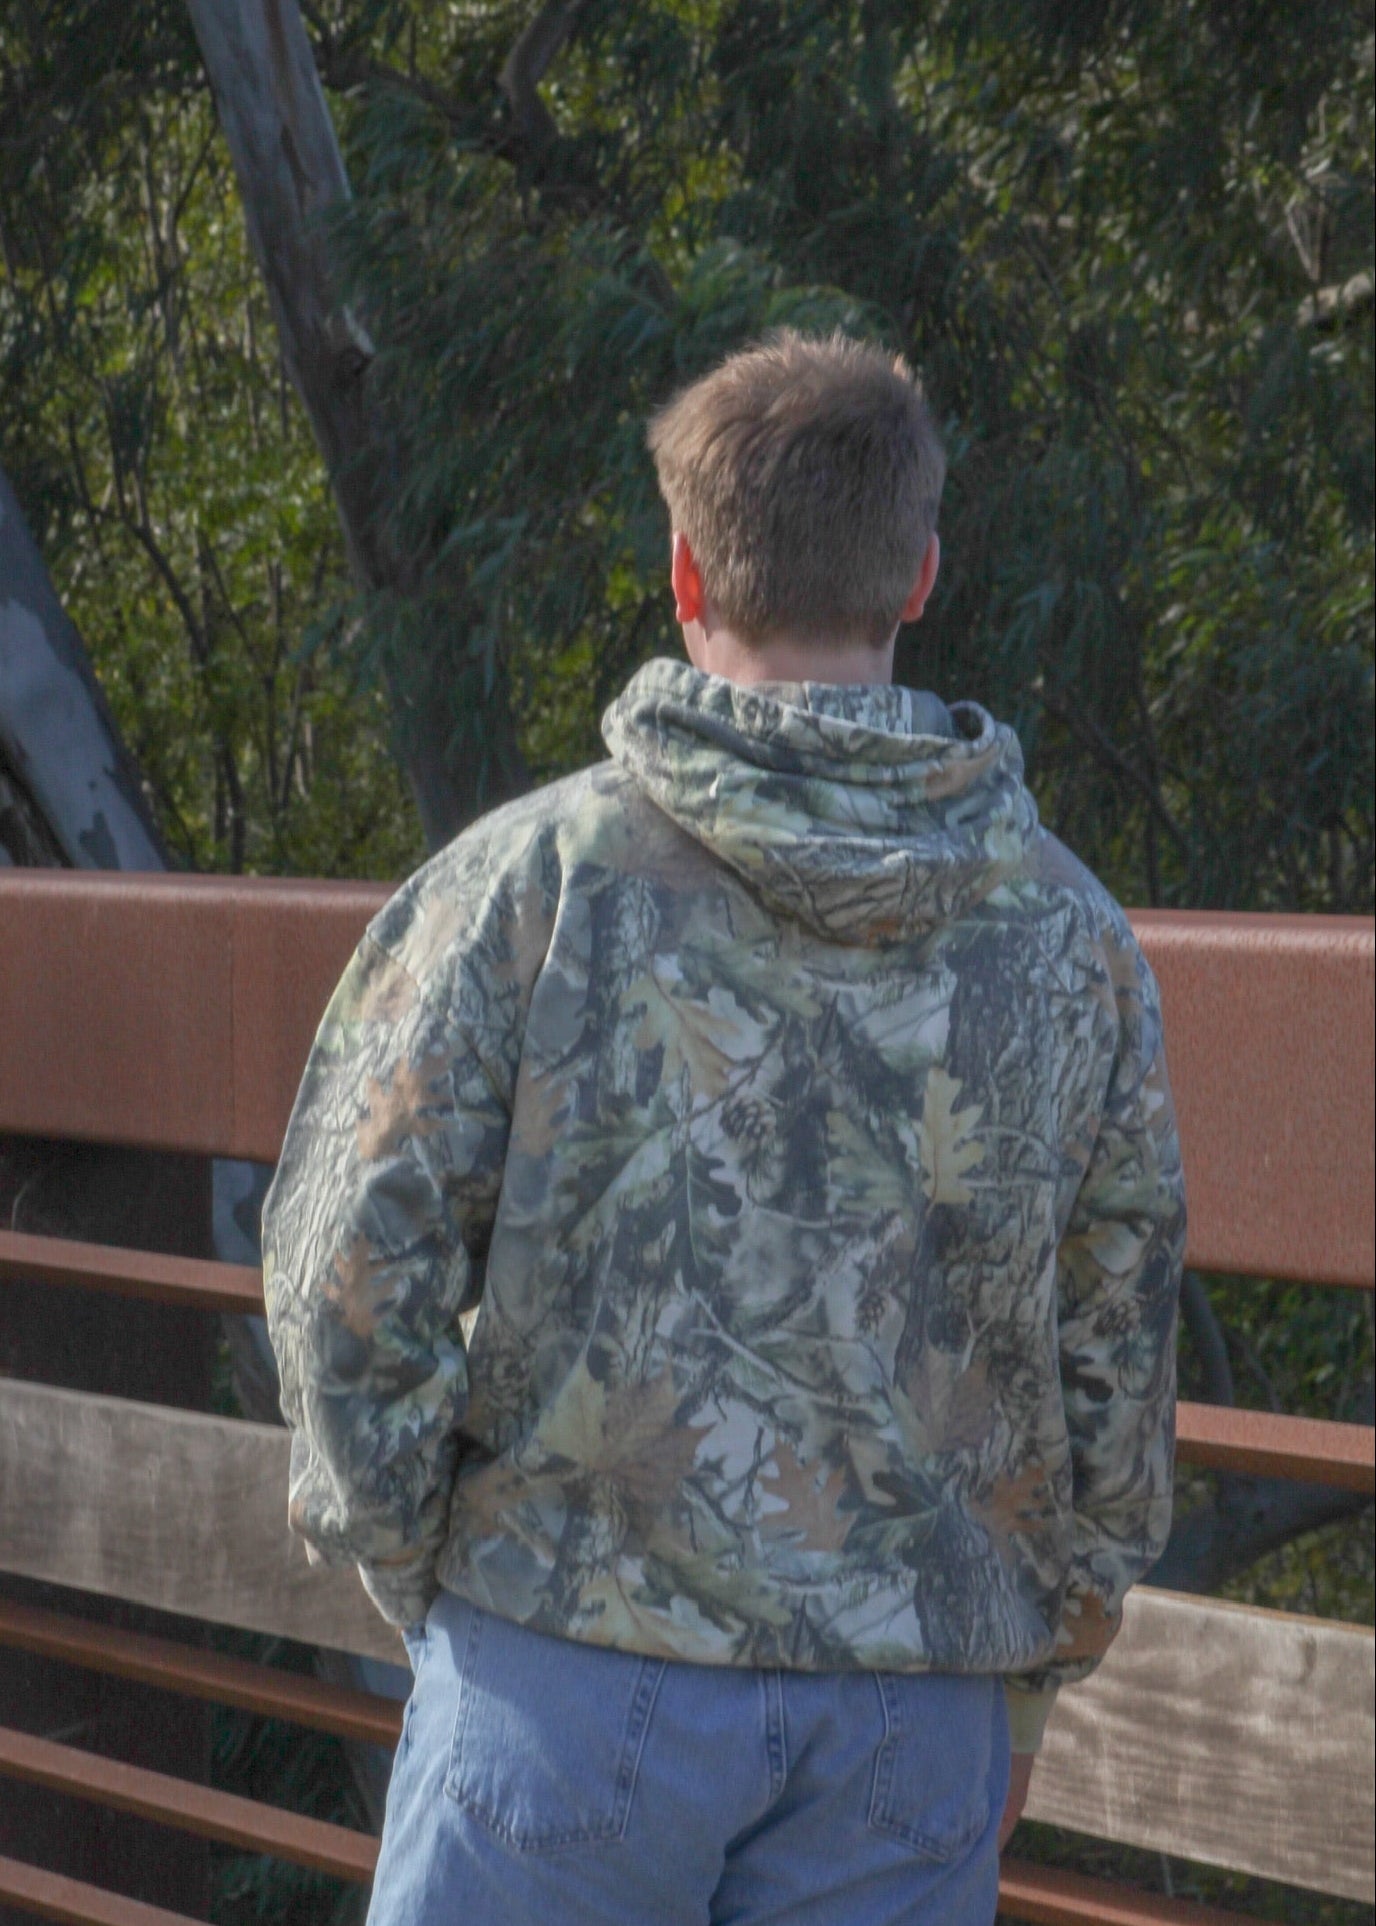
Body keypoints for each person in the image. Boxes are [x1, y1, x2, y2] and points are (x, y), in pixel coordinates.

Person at [262, 329, 1185, 1926]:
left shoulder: (531, 882)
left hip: (568, 1661)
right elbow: (1120, 1330)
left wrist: (430, 1569)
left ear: (685, 571)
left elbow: (352, 1270)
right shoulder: (1073, 934)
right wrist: (1042, 1639)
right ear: (921, 572)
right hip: (915, 1709)